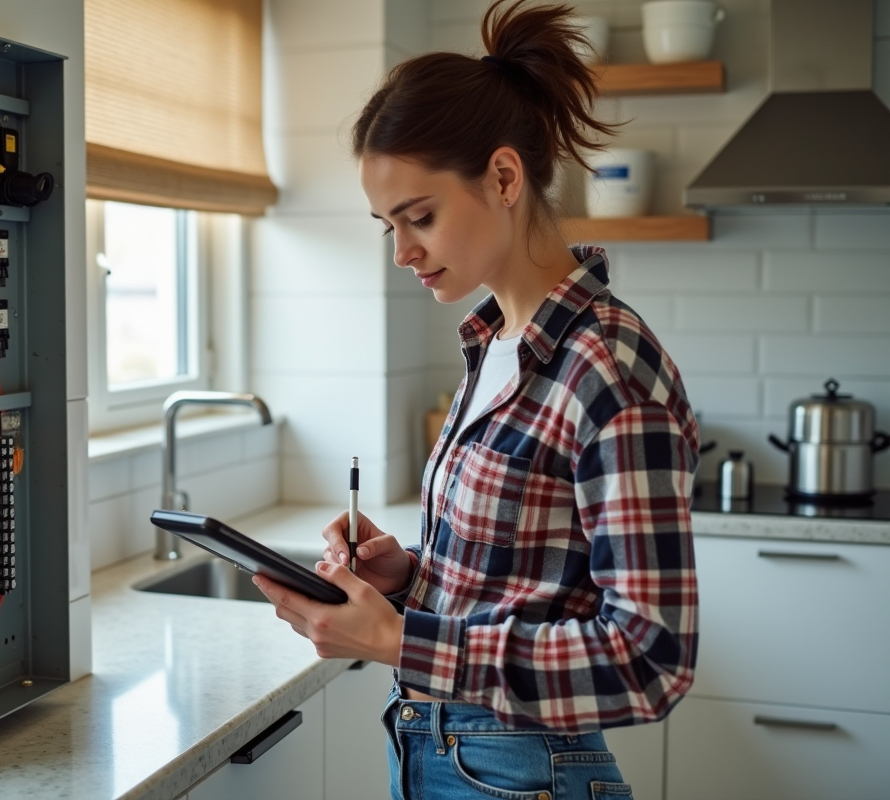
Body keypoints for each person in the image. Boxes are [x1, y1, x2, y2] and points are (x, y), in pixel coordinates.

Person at [251, 1, 700, 798]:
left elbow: (650, 659)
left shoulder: (608, 368)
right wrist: (413, 578)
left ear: (502, 177)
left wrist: (403, 641)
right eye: (386, 224)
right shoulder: (495, 345)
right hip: (439, 752)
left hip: (520, 772)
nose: (401, 252)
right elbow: (532, 582)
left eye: (418, 216)